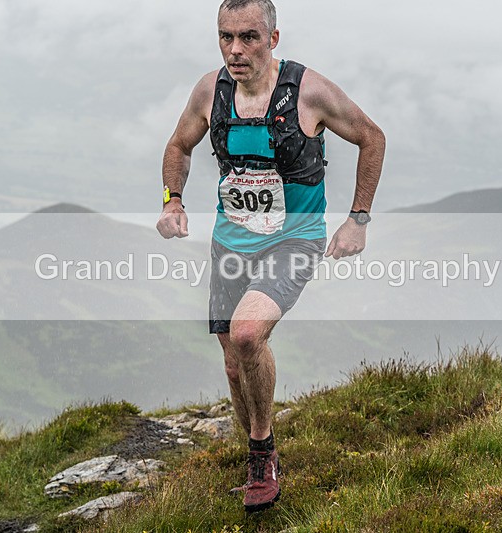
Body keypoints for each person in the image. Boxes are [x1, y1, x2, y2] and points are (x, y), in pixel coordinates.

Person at [157, 0, 385, 513]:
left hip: (293, 239)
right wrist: (172, 201)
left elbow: (372, 138)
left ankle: (262, 454)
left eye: (249, 37)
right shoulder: (210, 90)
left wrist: (358, 218)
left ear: (274, 39)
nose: (235, 50)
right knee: (235, 365)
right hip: (231, 242)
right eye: (225, 37)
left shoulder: (308, 91)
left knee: (246, 334)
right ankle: (260, 452)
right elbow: (178, 146)